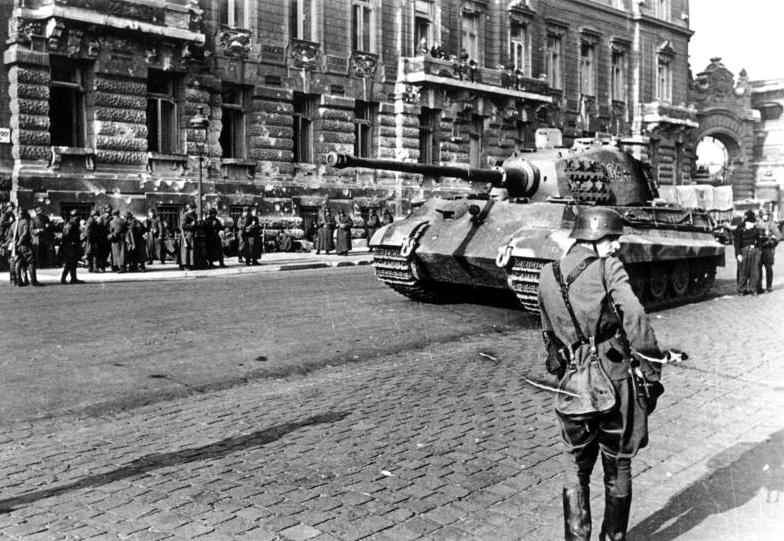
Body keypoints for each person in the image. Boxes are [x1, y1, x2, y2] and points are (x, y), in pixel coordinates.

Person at [537, 207, 664, 541]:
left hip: (571, 387)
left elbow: (549, 338)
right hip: (614, 379)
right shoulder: (608, 268)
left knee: (574, 466)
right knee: (618, 462)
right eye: (611, 238)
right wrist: (651, 372)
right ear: (594, 237)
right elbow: (635, 316)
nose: (616, 245)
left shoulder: (547, 273)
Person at [11, 206, 42, 287]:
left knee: (19, 263)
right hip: (26, 245)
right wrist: (39, 230)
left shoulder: (14, 224)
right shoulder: (29, 221)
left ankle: (19, 281)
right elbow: (33, 232)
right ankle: (33, 281)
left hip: (16, 246)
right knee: (31, 262)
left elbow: (10, 236)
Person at [733, 209, 761, 295]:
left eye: (753, 223)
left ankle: (753, 289)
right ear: (747, 222)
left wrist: (759, 251)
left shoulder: (755, 230)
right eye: (751, 223)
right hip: (743, 251)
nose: (753, 225)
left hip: (754, 251)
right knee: (743, 271)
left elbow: (759, 241)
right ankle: (742, 289)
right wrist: (738, 254)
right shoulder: (739, 229)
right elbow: (736, 243)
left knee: (754, 271)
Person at [756, 210, 781, 293]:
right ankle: (759, 286)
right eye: (763, 215)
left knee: (768, 268)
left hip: (768, 249)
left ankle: (769, 286)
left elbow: (779, 236)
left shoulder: (772, 224)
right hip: (759, 248)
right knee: (758, 268)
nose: (765, 217)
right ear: (761, 216)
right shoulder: (757, 224)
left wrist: (773, 242)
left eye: (766, 215)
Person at [60, 209, 84, 284]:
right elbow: (65, 237)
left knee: (73, 263)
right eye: (77, 216)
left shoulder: (74, 225)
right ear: (74, 217)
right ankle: (63, 278)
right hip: (70, 247)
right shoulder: (70, 225)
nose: (79, 218)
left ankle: (73, 278)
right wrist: (70, 243)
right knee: (69, 263)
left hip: (73, 247)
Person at [179, 204, 197, 270]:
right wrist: (191, 225)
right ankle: (185, 265)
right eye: (192, 209)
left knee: (191, 250)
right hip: (186, 235)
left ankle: (191, 264)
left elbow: (195, 224)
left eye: (194, 209)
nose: (194, 210)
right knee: (185, 250)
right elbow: (182, 225)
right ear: (189, 209)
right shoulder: (185, 215)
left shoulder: (194, 215)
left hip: (191, 234)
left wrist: (195, 225)